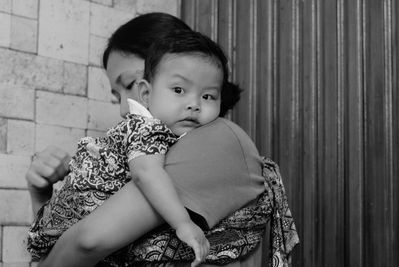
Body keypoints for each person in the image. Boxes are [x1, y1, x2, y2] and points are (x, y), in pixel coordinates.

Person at [26, 13, 298, 267]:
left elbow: (87, 241)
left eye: (130, 83)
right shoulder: (154, 146)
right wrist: (42, 197)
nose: (124, 108)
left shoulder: (216, 142)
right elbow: (62, 245)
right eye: (117, 94)